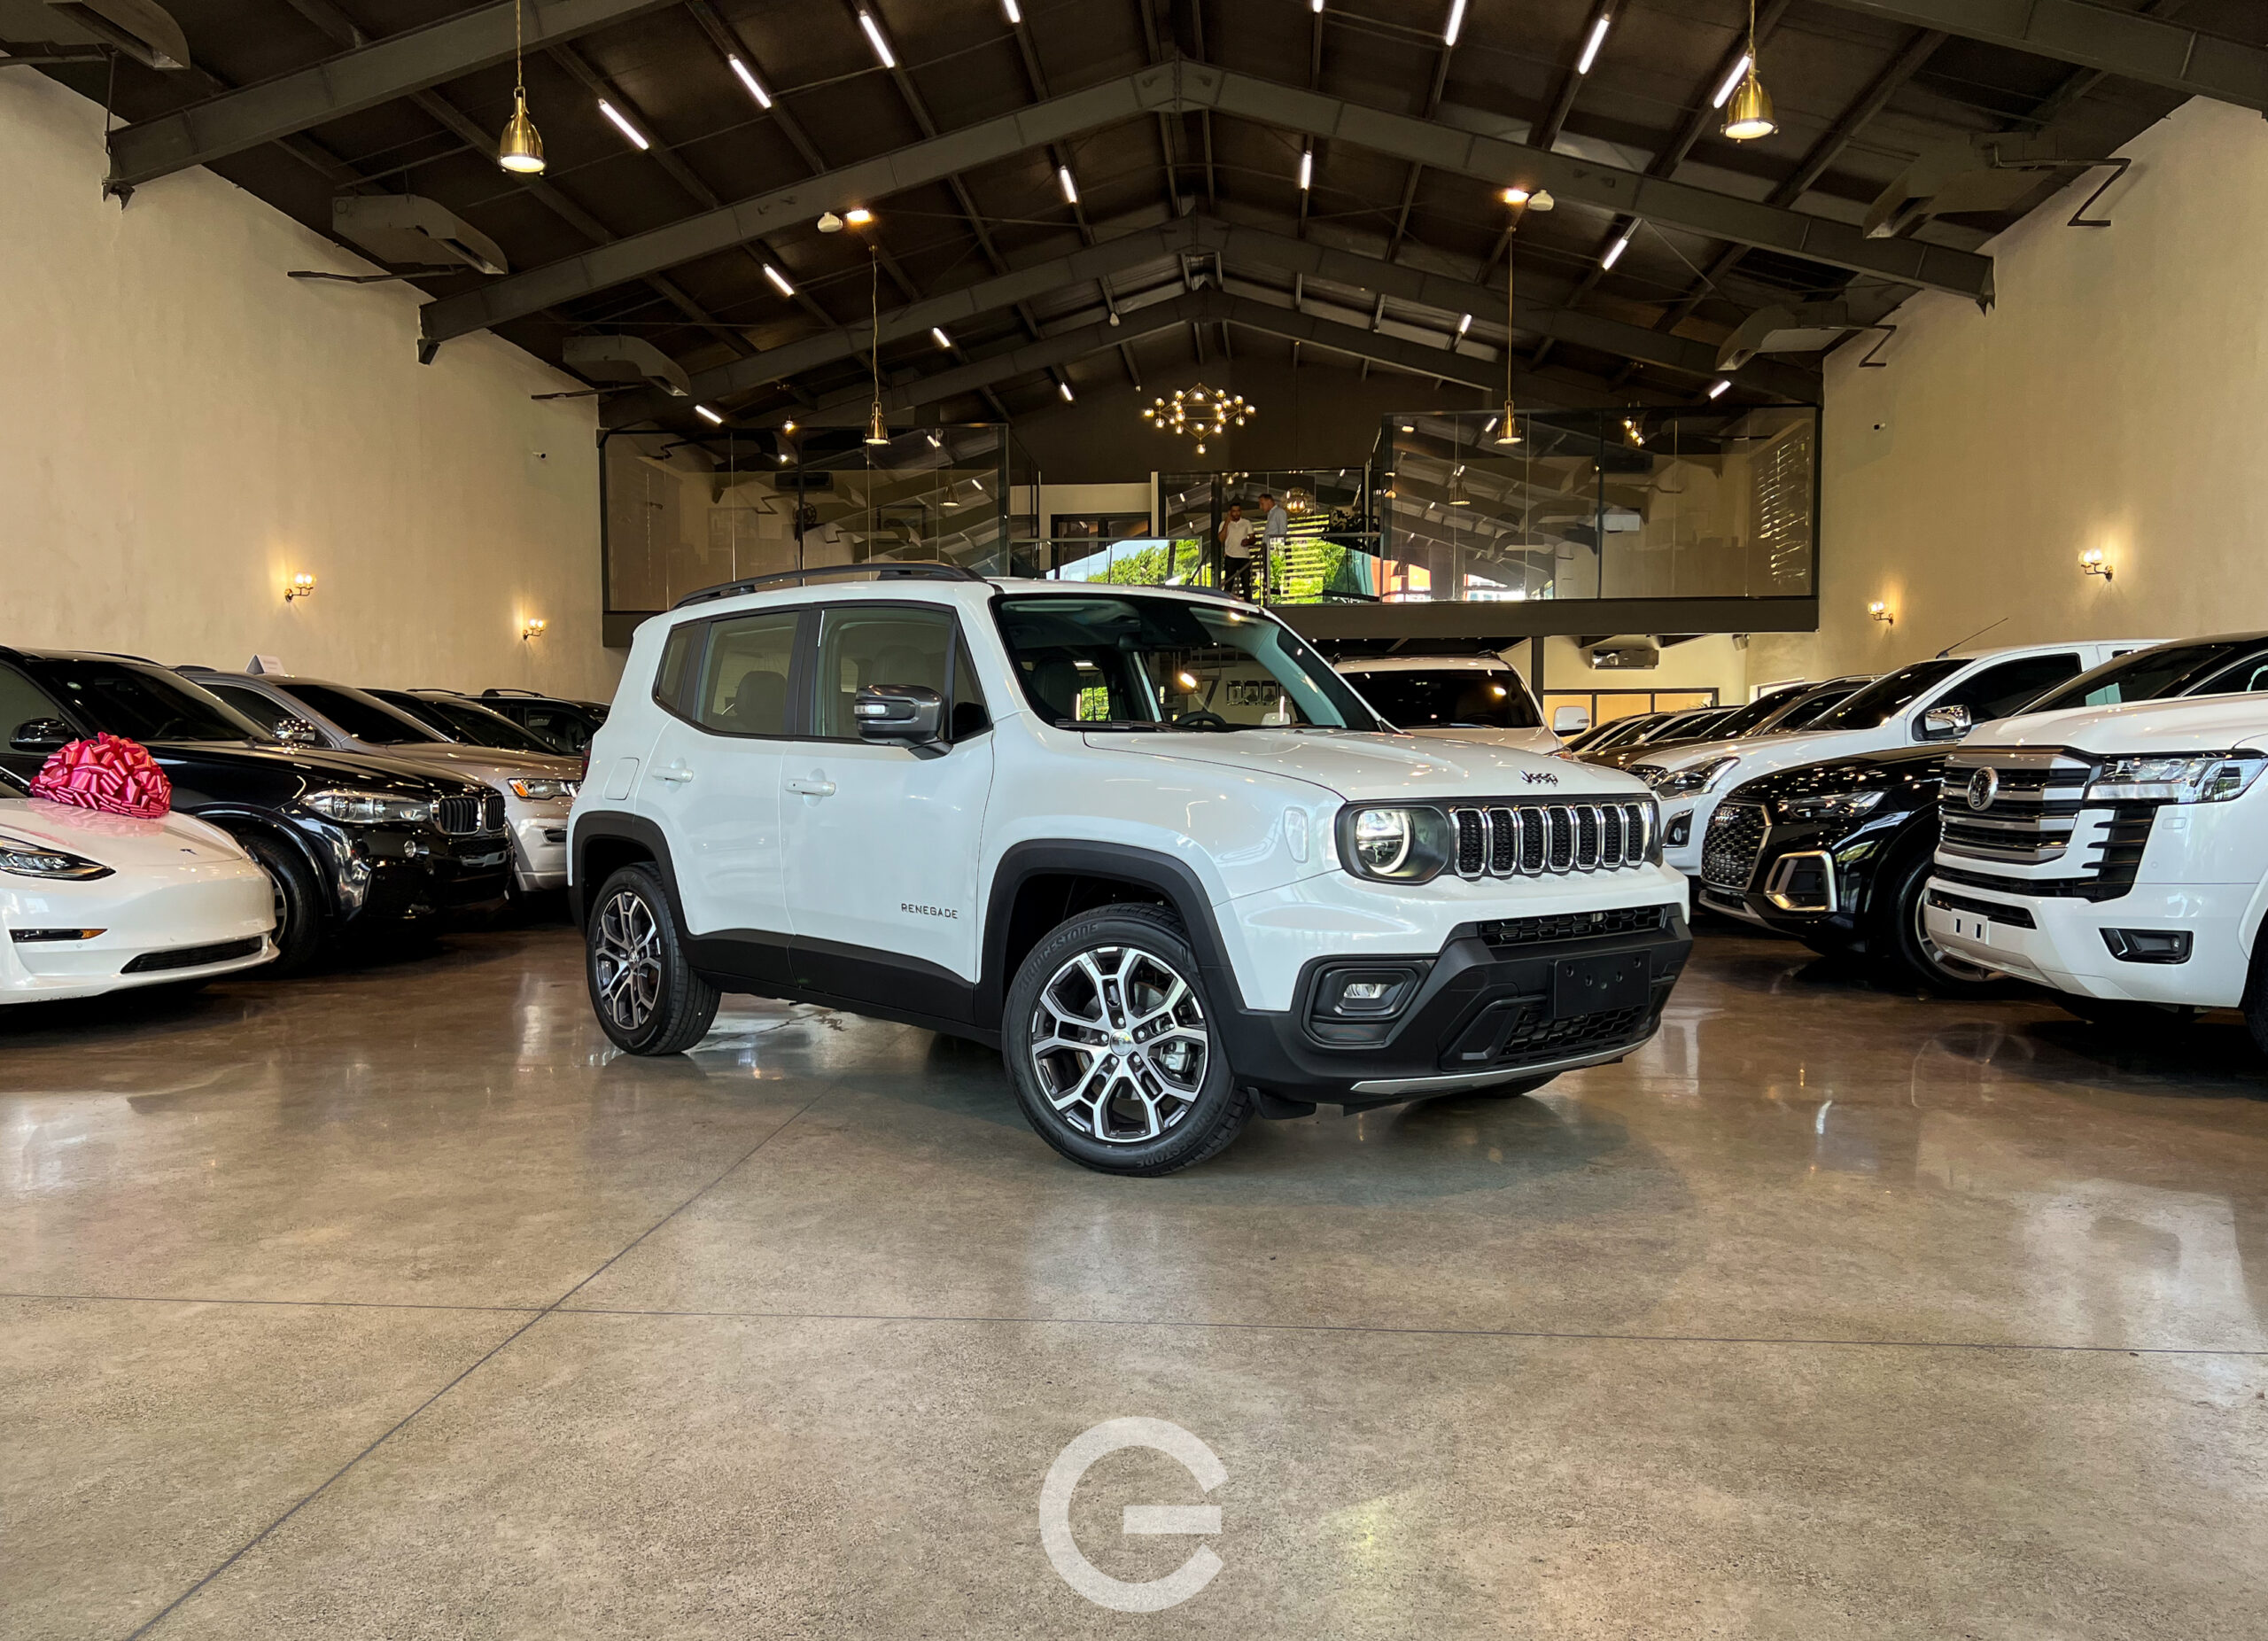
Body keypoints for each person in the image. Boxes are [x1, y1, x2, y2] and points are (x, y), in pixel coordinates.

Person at [1217, 502, 1254, 598]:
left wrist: (1248, 541)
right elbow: (1221, 539)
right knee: (1229, 583)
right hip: (1230, 556)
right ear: (1230, 512)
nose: (1237, 514)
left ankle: (1248, 606)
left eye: (1238, 511)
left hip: (1244, 556)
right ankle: (1225, 605)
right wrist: (1227, 522)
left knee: (1246, 584)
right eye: (1234, 511)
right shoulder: (1223, 523)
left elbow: (1253, 538)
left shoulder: (1246, 522)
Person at [1260, 492, 1288, 598]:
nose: (1260, 507)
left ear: (1269, 501)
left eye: (1262, 503)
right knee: (1267, 575)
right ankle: (1269, 595)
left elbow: (1282, 531)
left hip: (1274, 550)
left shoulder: (1280, 512)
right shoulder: (1270, 514)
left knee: (1274, 574)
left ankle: (1275, 596)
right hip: (1268, 549)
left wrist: (1277, 550)